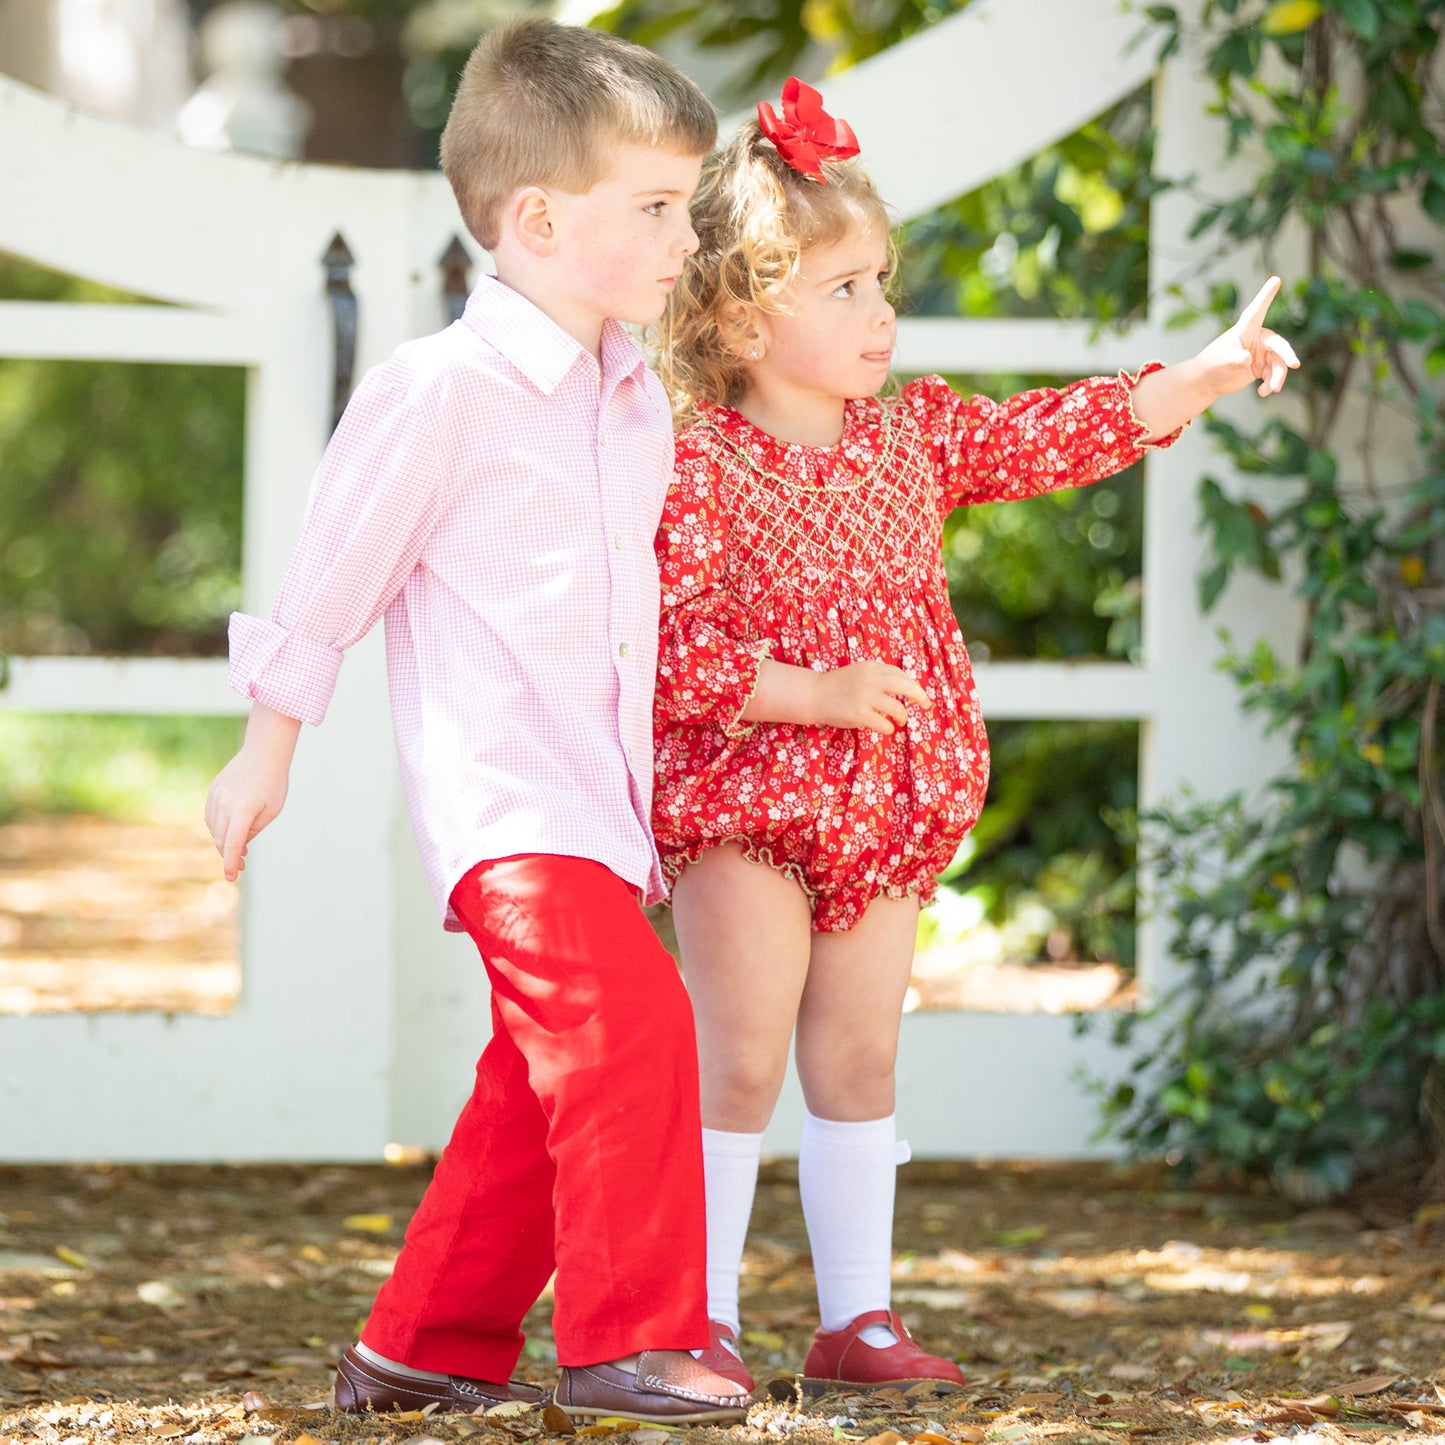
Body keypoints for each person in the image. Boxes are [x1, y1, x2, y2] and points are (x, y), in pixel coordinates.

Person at [649, 78, 1299, 1396]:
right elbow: (667, 656)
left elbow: (1056, 430)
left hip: (882, 808)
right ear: (734, 311)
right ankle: (692, 1315)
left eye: (880, 280)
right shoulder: (696, 464)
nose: (880, 310)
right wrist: (812, 692)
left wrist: (1206, 375)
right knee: (739, 1051)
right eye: (840, 289)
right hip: (747, 800)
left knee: (859, 1053)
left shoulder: (915, 434)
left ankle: (856, 1319)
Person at [204, 17, 753, 1425]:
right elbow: (335, 569)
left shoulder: (635, 401)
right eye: (653, 208)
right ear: (538, 219)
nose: (683, 235)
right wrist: (266, 746)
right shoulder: (437, 390)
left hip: (600, 801)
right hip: (505, 803)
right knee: (632, 1026)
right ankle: (625, 1334)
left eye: (683, 205)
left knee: (533, 1081)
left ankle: (421, 1343)